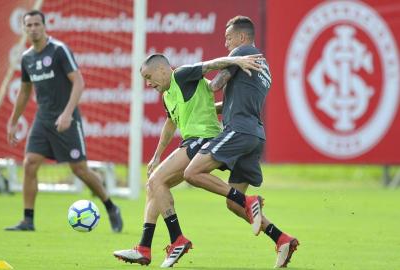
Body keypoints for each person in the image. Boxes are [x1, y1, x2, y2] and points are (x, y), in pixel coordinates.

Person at [113, 53, 264, 267]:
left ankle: (178, 239)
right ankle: (144, 248)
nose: (147, 83)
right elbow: (170, 125)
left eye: (149, 76)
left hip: (203, 139)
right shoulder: (168, 95)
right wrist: (156, 156)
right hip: (194, 141)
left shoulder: (181, 75)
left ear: (162, 70)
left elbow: (208, 64)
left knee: (156, 182)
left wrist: (235, 61)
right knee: (154, 186)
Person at [183, 16, 299, 268]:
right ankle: (282, 239)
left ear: (242, 38)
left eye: (228, 38)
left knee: (191, 173)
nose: (226, 44)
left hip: (240, 131)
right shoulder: (262, 65)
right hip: (255, 135)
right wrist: (205, 111)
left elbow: (215, 84)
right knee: (233, 204)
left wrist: (191, 80)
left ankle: (250, 201)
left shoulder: (243, 53)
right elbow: (233, 102)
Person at [5, 10, 123, 232]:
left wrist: (68, 113)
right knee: (30, 163)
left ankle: (111, 207)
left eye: (36, 24)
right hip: (43, 119)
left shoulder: (59, 50)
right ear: (24, 28)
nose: (32, 28)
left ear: (44, 25)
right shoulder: (27, 58)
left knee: (80, 170)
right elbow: (24, 92)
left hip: (67, 117)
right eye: (28, 25)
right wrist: (13, 121)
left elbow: (78, 82)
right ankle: (27, 220)